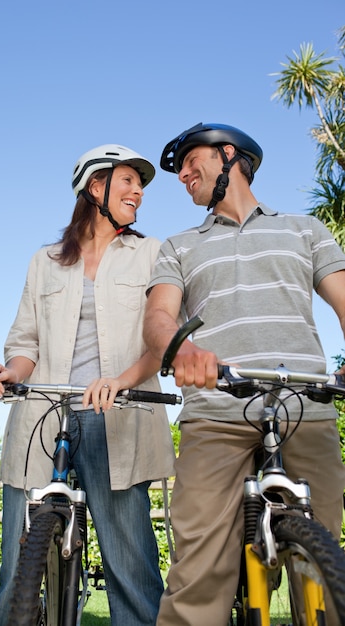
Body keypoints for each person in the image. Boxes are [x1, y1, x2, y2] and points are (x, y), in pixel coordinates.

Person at [143, 122, 345, 626]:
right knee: (199, 569)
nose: (184, 175)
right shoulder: (179, 245)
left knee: (323, 562)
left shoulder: (305, 229)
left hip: (306, 405)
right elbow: (158, 319)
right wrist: (181, 348)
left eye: (193, 161)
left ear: (228, 155)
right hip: (217, 410)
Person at [0, 143, 175, 626]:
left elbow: (164, 337)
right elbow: (25, 342)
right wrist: (11, 372)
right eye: (129, 181)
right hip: (41, 419)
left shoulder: (153, 253)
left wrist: (123, 380)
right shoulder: (45, 260)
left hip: (119, 419)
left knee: (131, 572)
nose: (139, 193)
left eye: (142, 185)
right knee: (14, 573)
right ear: (96, 186)